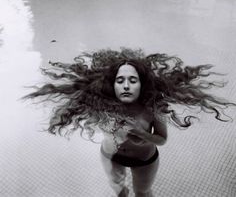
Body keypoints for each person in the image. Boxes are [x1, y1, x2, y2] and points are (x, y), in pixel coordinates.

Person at [23, 48, 235, 197]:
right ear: (111, 84)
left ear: (142, 85)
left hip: (144, 160)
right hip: (110, 156)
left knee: (143, 192)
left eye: (132, 81)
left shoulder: (154, 106)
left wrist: (143, 135)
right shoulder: (100, 104)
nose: (126, 86)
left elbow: (161, 140)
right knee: (118, 189)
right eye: (120, 80)